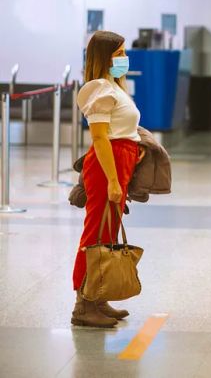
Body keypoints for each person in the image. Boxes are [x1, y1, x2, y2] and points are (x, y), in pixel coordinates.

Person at [71, 31, 144, 328]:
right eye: (119, 54)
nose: (124, 59)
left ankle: (98, 297)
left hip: (119, 162)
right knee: (95, 235)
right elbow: (100, 138)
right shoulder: (99, 89)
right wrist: (113, 181)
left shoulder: (114, 87)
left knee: (107, 233)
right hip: (106, 167)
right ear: (104, 58)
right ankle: (83, 304)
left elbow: (119, 132)